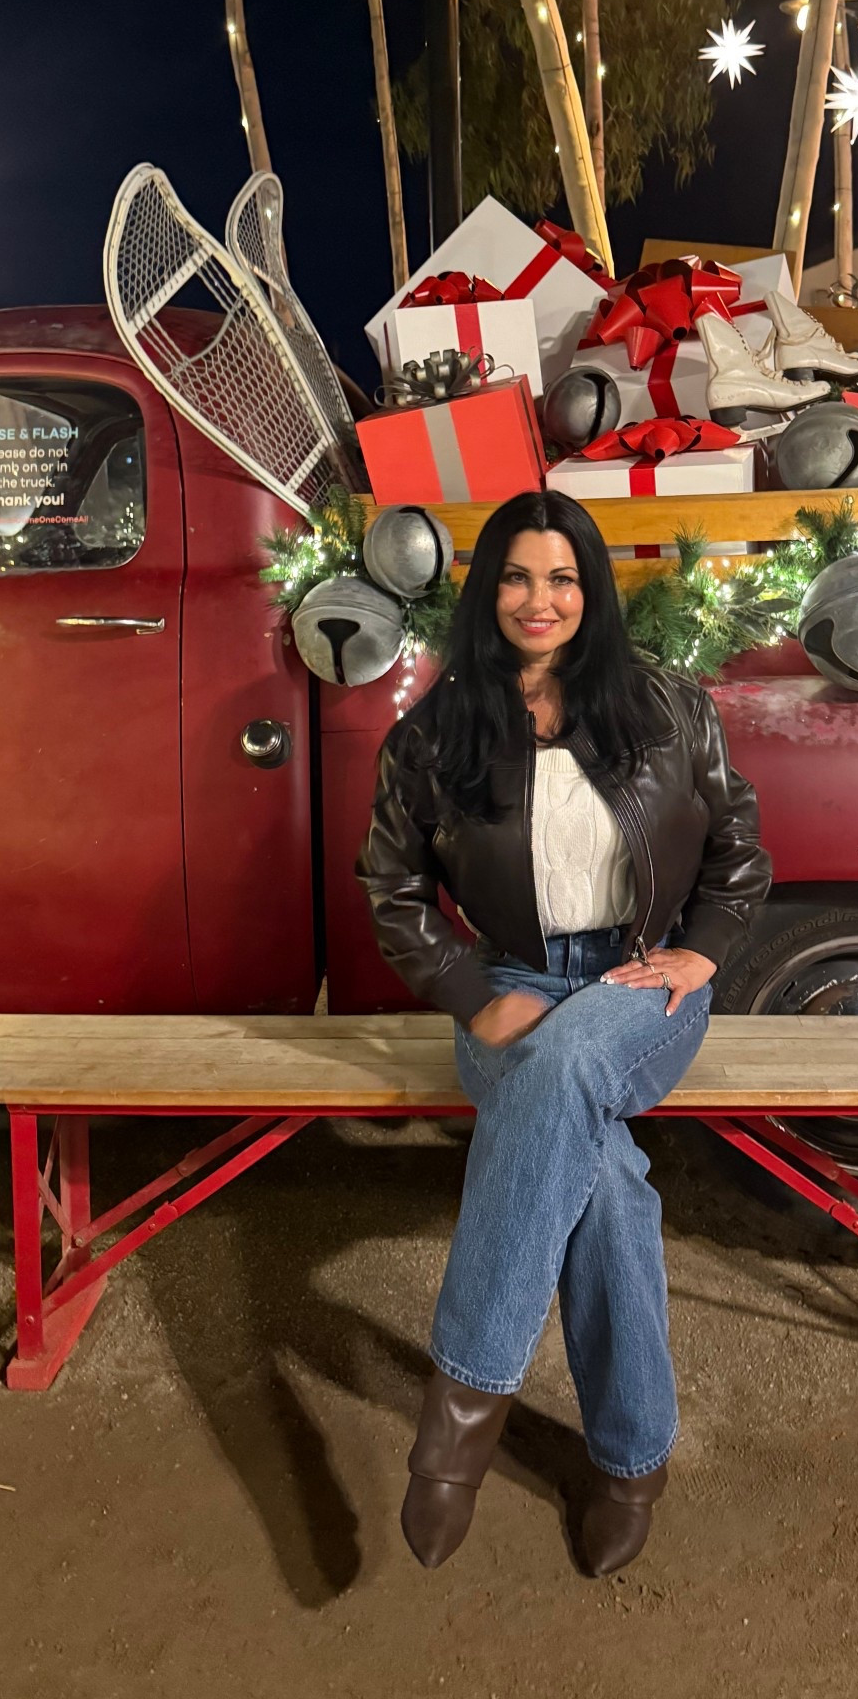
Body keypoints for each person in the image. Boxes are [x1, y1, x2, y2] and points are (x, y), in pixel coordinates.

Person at [357, 489, 770, 1576]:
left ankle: (461, 1417)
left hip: (642, 986)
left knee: (575, 1059)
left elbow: (740, 852)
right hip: (507, 984)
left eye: (563, 579)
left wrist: (703, 950)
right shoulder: (434, 734)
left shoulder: (668, 708)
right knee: (610, 1188)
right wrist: (466, 988)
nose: (540, 600)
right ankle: (633, 1456)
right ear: (487, 589)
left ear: (589, 593)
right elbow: (390, 888)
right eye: (517, 577)